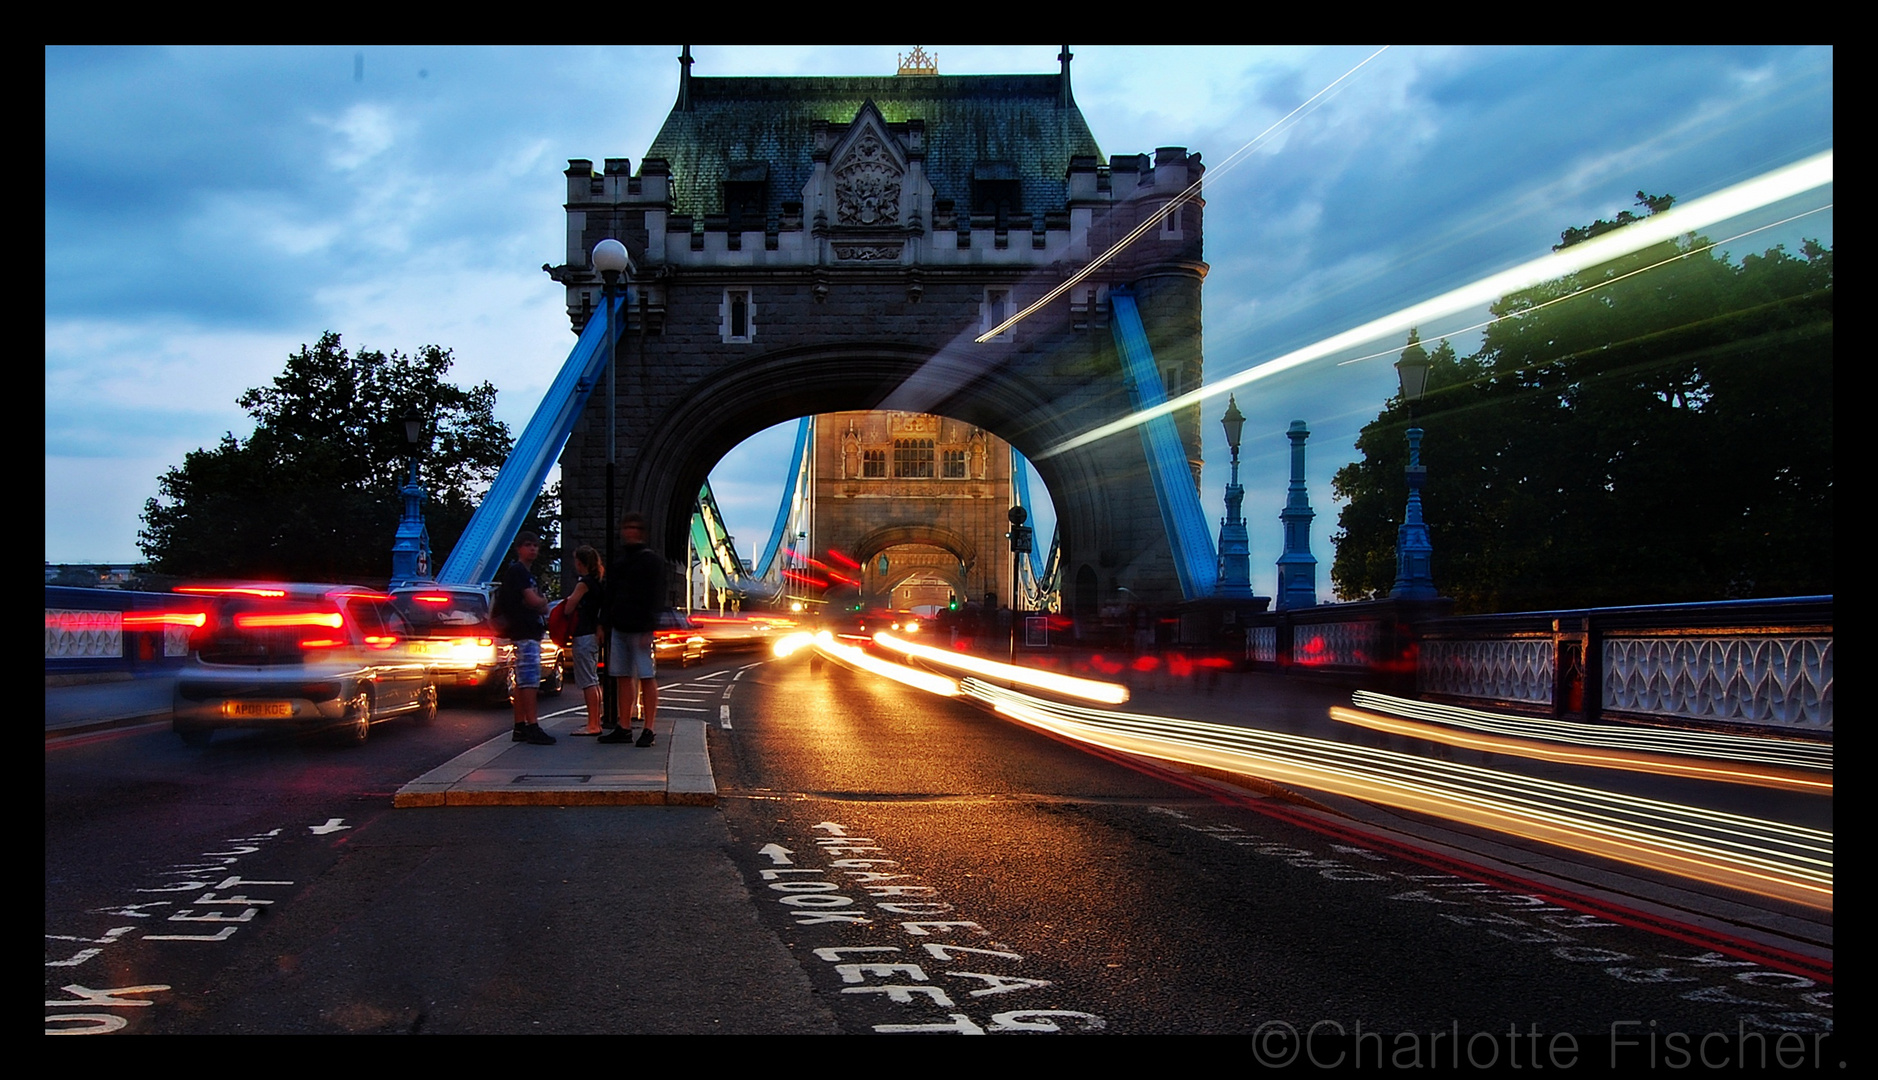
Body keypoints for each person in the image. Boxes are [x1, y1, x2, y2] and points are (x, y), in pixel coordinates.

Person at [598, 513, 665, 747]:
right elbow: (610, 594)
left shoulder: (651, 561)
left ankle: (649, 728)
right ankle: (624, 726)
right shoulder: (618, 560)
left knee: (647, 676)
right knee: (622, 677)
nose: (630, 531)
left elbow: (656, 596)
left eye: (635, 527)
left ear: (642, 532)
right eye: (627, 527)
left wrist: (650, 627)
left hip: (641, 628)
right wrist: (603, 624)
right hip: (619, 626)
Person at [497, 532, 555, 745]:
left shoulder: (524, 574)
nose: (533, 549)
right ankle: (532, 725)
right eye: (528, 545)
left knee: (523, 681)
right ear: (519, 548)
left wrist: (539, 602)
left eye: (535, 545)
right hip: (525, 633)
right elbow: (535, 601)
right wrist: (541, 600)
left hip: (524, 632)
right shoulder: (519, 572)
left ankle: (520, 726)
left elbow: (541, 605)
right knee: (530, 681)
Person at [566, 545, 605, 735]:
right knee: (594, 680)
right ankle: (596, 721)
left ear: (580, 563)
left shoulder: (584, 584)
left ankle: (592, 725)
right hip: (592, 635)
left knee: (587, 681)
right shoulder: (597, 582)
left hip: (583, 635)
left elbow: (568, 607)